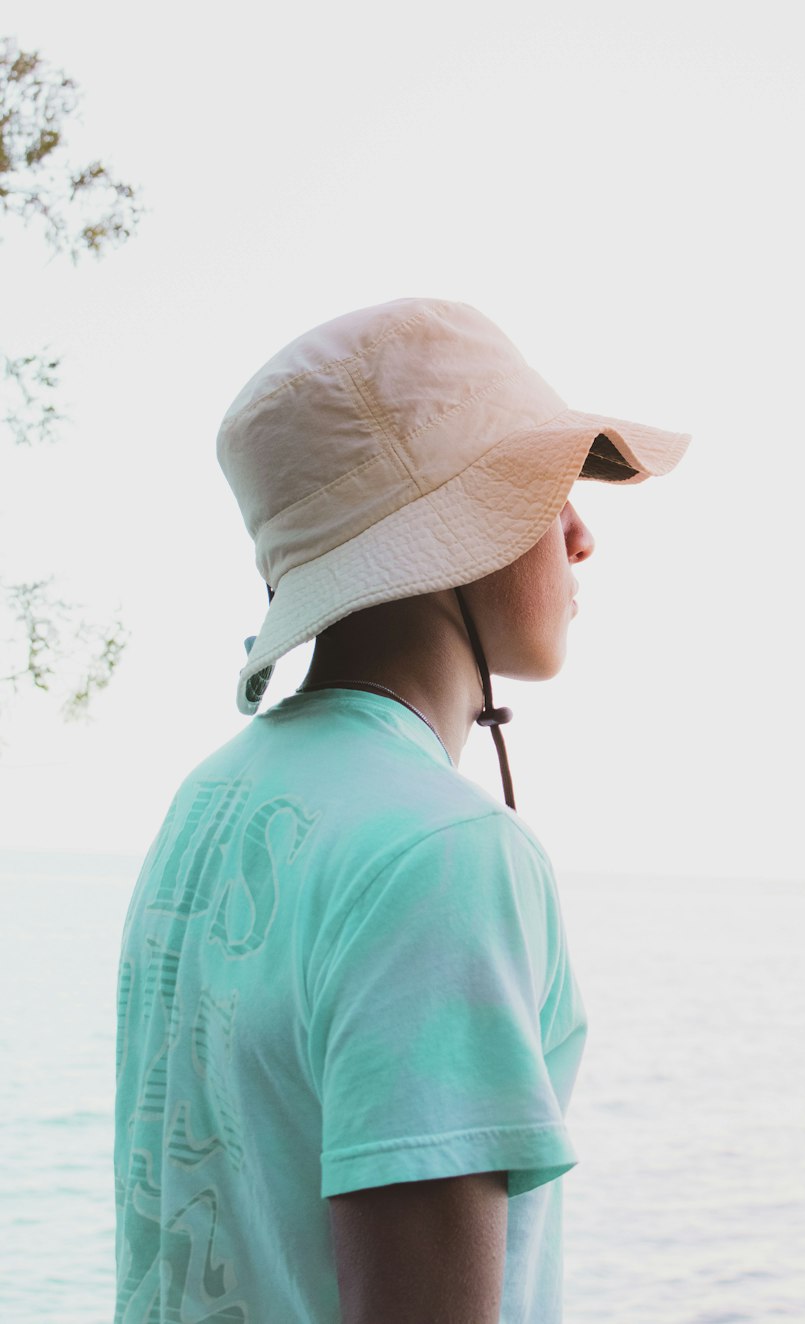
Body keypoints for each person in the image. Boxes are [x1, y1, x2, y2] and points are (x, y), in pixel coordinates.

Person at [113, 297, 690, 1323]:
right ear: (453, 535)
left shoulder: (209, 801)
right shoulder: (442, 853)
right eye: (547, 487)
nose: (581, 533)